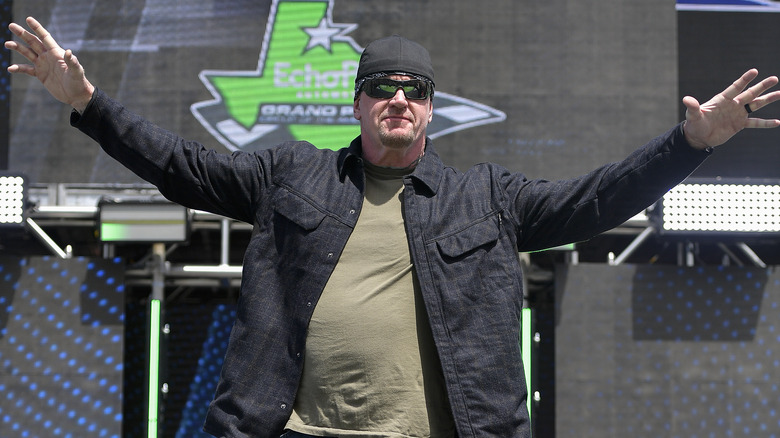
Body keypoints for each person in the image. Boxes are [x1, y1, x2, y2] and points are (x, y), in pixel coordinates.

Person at [6, 16, 780, 438]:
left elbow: (598, 198)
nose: (398, 101)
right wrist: (88, 105)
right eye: (381, 88)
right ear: (359, 103)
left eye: (413, 90)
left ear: (431, 107)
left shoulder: (487, 196)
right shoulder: (292, 177)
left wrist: (691, 145)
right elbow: (178, 163)